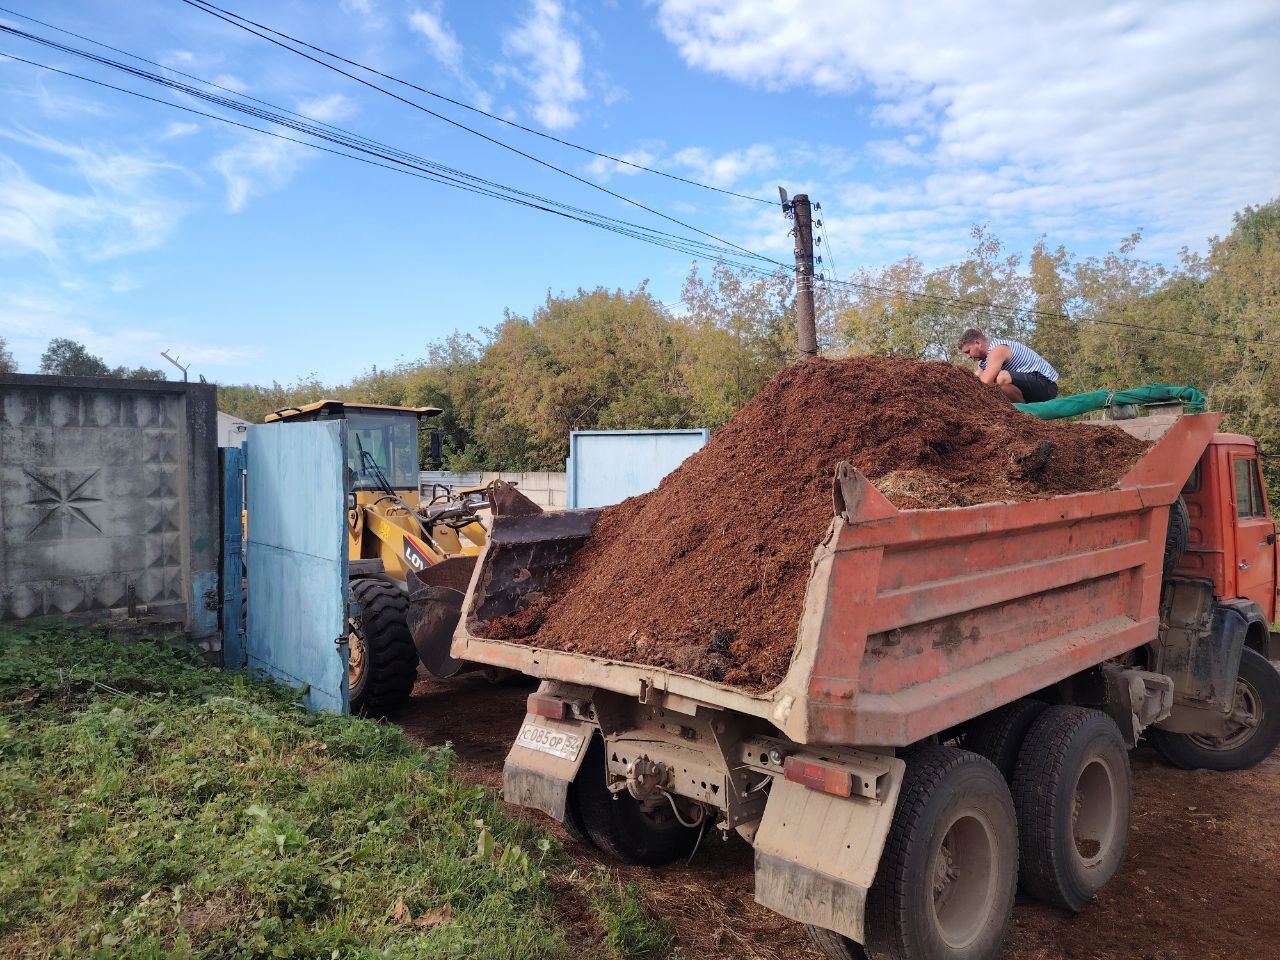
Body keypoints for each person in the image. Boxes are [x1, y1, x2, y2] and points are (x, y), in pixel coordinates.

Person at [958, 328, 1060, 403]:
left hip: (1046, 385)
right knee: (994, 383)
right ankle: (1019, 411)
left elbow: (985, 382)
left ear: (977, 343)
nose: (968, 356)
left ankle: (1023, 413)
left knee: (1000, 377)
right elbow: (975, 379)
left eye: (968, 351)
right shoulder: (982, 362)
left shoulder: (998, 349)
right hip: (1028, 390)